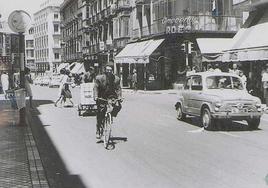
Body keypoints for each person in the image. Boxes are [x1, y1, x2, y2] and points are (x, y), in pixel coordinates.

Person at [93, 66, 122, 141]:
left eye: (110, 70)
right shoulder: (99, 78)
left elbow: (118, 88)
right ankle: (98, 130)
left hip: (111, 97)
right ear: (105, 70)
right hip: (102, 97)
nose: (109, 72)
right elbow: (96, 87)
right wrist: (96, 96)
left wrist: (120, 97)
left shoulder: (116, 79)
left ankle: (111, 115)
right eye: (107, 70)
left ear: (112, 71)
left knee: (118, 106)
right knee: (100, 114)